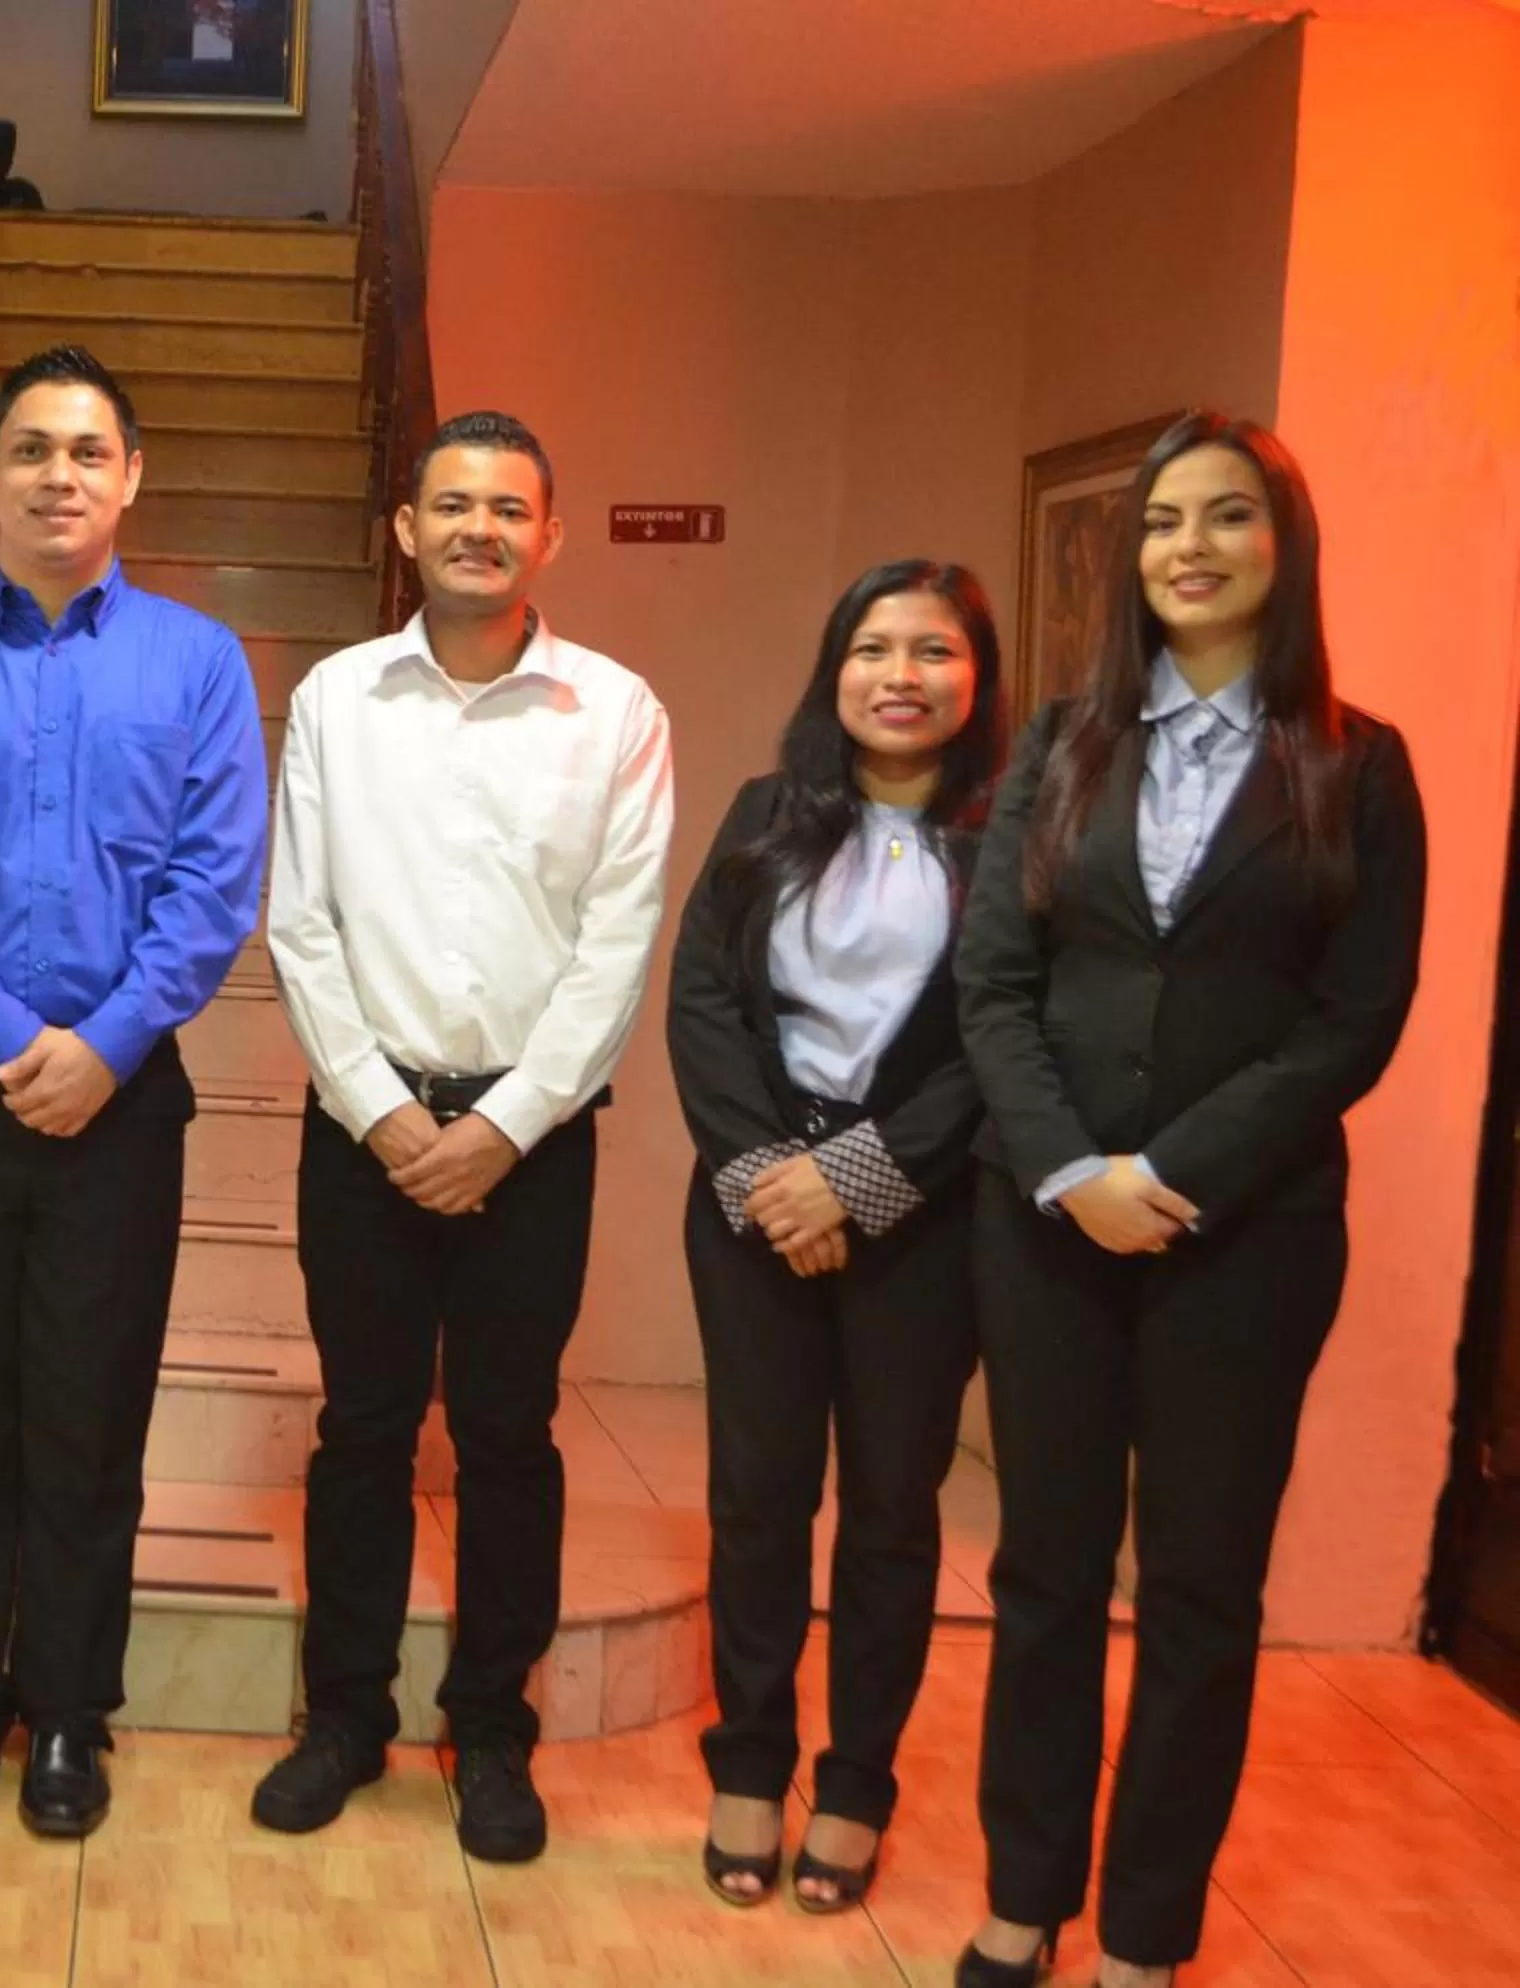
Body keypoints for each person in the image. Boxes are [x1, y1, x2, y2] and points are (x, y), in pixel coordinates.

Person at [952, 414, 1425, 1988]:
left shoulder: (1358, 765)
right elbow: (994, 984)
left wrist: (1171, 1174)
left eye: (1227, 517)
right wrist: (1074, 1171)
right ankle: (1025, 1897)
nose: (1190, 547)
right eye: (1164, 522)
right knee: (1043, 1575)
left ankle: (1147, 1934)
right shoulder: (1061, 747)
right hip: (1047, 1229)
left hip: (1248, 1240)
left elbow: (1354, 1021)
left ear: (1284, 546)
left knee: (1202, 1594)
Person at [0, 345, 268, 1838]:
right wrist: (15, 1042)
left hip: (122, 1097)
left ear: (130, 476)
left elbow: (214, 888)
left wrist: (107, 1045)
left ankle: (73, 1714)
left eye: (88, 451)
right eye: (30, 449)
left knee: (90, 1421)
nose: (59, 476)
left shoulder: (200, 665)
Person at [249, 409, 672, 1863]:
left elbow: (617, 943)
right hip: (361, 1131)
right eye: (451, 504)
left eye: (507, 508)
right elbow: (300, 922)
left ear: (549, 535)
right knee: (363, 1428)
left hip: (531, 1141)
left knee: (507, 1436)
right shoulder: (338, 700)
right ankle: (344, 1717)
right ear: (406, 529)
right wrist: (379, 1111)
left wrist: (503, 1124)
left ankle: (492, 1728)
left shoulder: (615, 713)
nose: (477, 528)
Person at [665, 562, 1004, 1913]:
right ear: (836, 670)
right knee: (757, 1500)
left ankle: (858, 1784)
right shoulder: (768, 813)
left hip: (923, 1217)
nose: (900, 676)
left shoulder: (1015, 839)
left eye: (934, 650)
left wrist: (855, 1182)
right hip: (752, 1203)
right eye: (873, 647)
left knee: (890, 1513)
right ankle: (749, 1764)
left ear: (977, 677)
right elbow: (701, 999)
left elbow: (1004, 1039)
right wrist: (769, 1178)